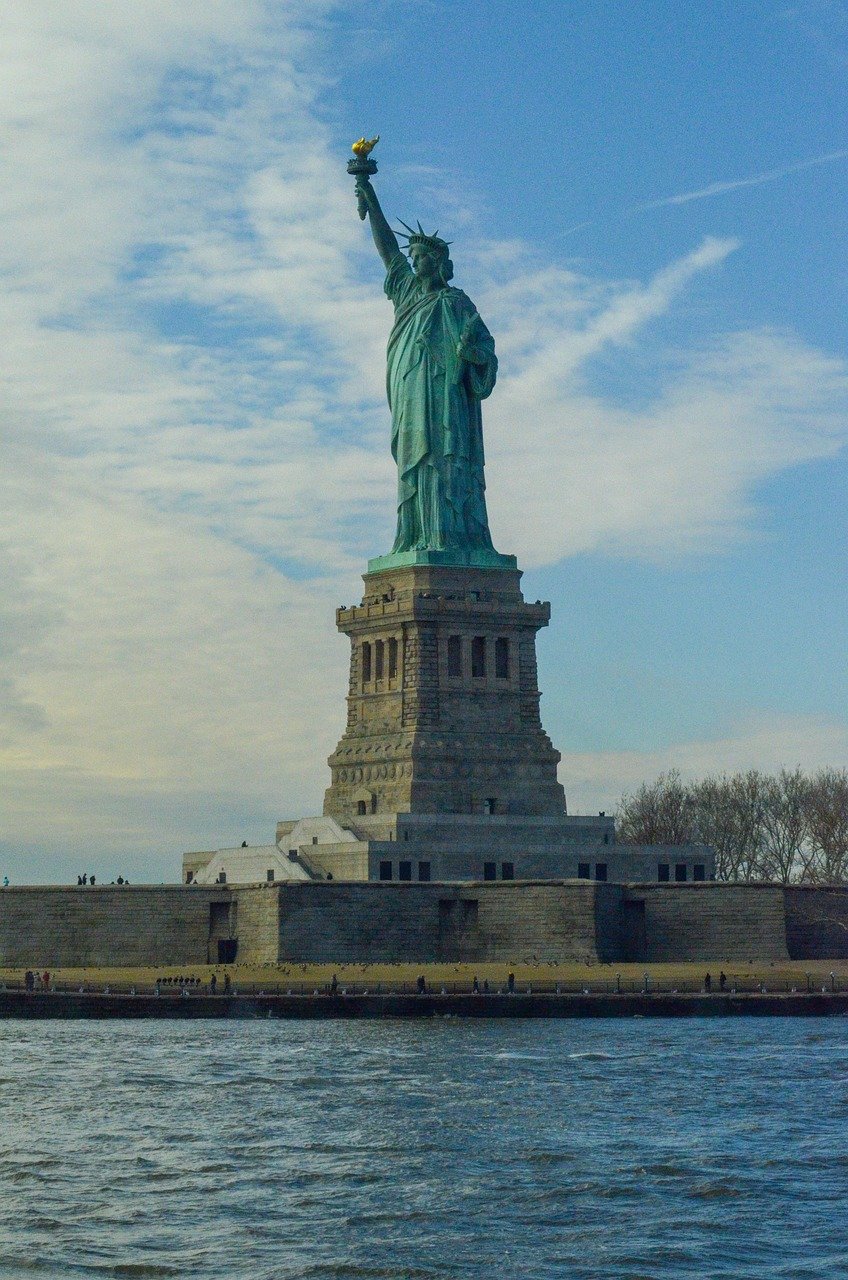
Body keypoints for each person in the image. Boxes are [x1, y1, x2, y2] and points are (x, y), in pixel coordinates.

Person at [354, 173, 499, 556]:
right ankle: (416, 535)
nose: (415, 263)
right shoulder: (405, 293)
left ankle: (453, 537)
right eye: (413, 258)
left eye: (422, 258)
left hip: (447, 398)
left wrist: (471, 354)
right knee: (416, 462)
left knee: (446, 461)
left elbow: (486, 352)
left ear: (438, 263)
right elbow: (388, 251)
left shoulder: (456, 303)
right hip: (411, 392)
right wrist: (371, 200)